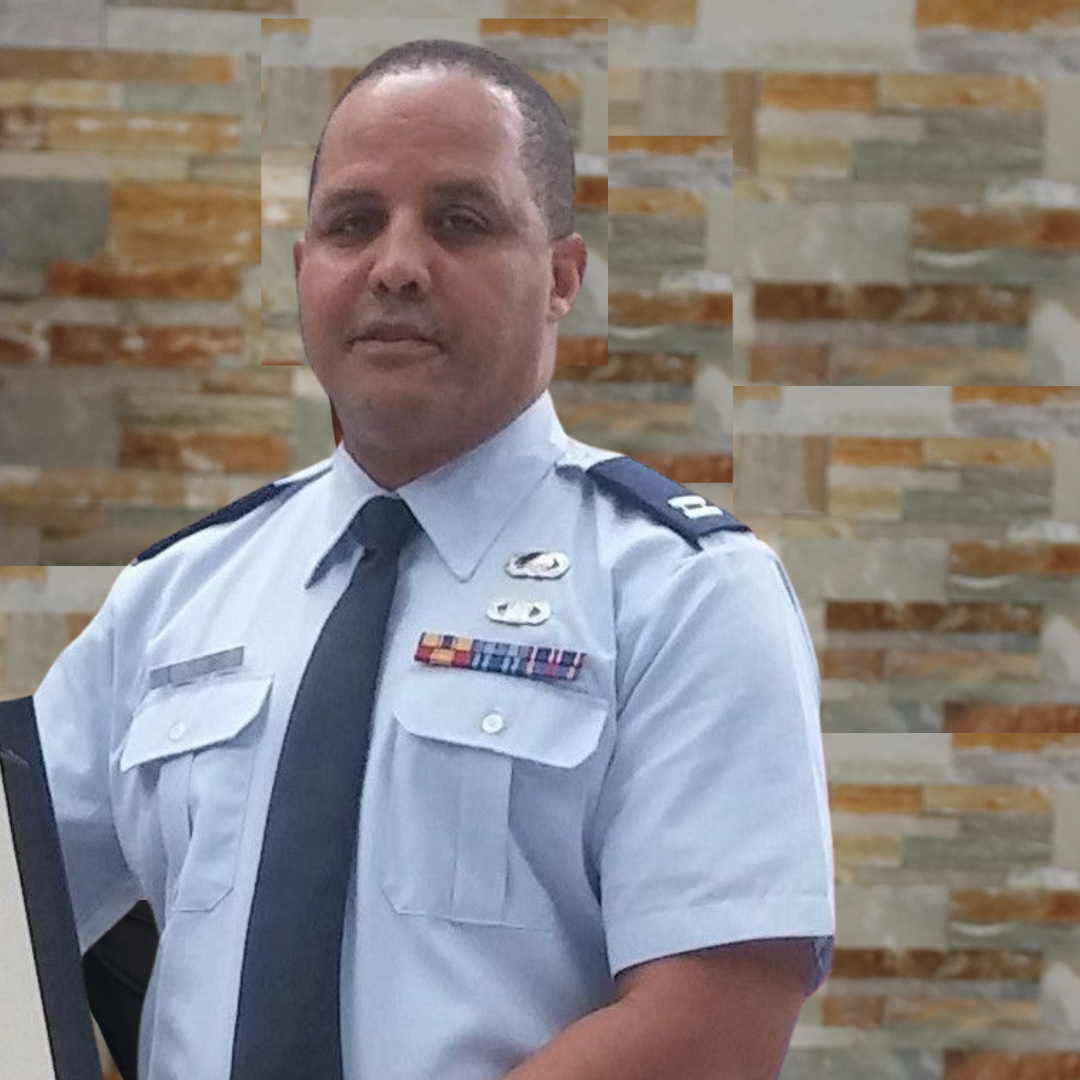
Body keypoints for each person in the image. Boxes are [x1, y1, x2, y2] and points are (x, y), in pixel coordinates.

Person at [29, 39, 834, 1080]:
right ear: (302, 270)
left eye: (460, 222)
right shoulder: (174, 597)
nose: (396, 265)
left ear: (559, 277)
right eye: (353, 223)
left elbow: (711, 1029)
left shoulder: (684, 593)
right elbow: (15, 905)